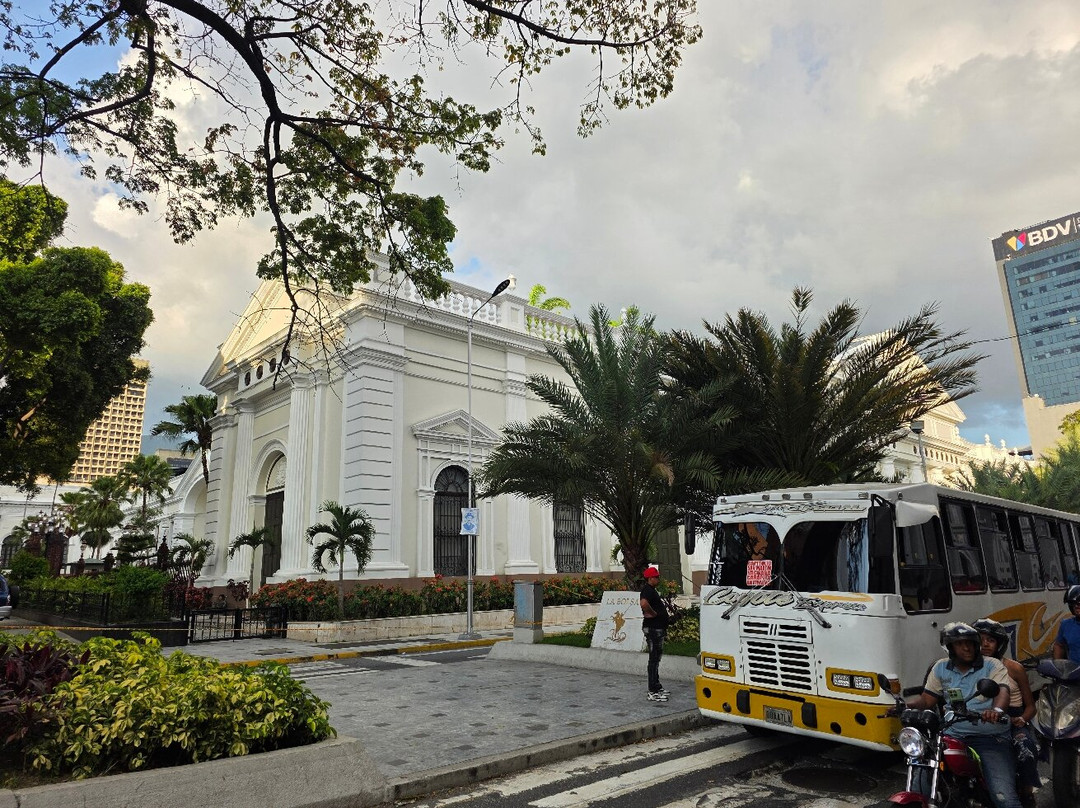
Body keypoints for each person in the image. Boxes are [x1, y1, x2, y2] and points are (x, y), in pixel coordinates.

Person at [904, 622, 1020, 808]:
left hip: (989, 736)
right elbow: (927, 700)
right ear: (950, 647)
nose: (967, 648)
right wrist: (906, 706)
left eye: (970, 643)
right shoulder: (941, 667)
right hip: (951, 733)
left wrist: (996, 711)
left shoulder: (992, 665)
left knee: (1004, 797)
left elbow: (1002, 692)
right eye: (960, 644)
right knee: (921, 778)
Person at [974, 618, 1040, 808]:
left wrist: (1021, 719)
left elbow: (1031, 707)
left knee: (1026, 748)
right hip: (980, 721)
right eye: (981, 639)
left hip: (1012, 721)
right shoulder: (969, 668)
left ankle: (1027, 792)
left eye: (991, 640)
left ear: (1000, 644)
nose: (985, 644)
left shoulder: (1014, 668)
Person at [639, 565, 669, 702]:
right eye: (656, 577)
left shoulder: (651, 590)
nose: (658, 579)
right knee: (654, 659)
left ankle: (657, 686)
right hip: (653, 629)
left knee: (656, 658)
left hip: (658, 628)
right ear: (650, 578)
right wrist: (653, 613)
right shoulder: (647, 590)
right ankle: (653, 690)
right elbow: (644, 604)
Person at [1053, 584, 1080, 664]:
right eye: (1073, 603)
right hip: (1074, 670)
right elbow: (1059, 645)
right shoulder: (1066, 624)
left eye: (1079, 603)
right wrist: (1058, 664)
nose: (1076, 606)